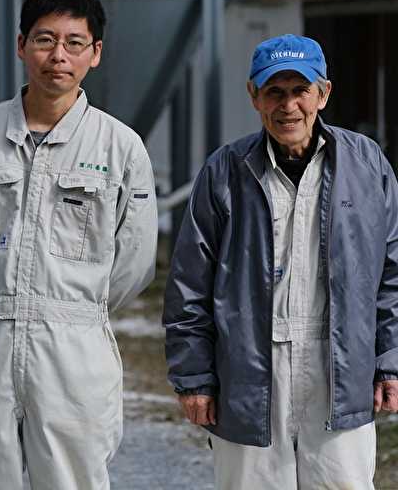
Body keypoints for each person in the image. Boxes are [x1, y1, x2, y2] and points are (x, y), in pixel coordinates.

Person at [0, 0, 158, 489]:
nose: (58, 55)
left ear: (95, 53)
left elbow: (135, 259)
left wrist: (74, 305)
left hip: (74, 345)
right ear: (20, 46)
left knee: (72, 480)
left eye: (74, 42)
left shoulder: (121, 147)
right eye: (44, 39)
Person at [163, 34, 398, 489]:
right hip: (248, 373)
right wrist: (194, 376)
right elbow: (189, 283)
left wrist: (389, 360)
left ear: (323, 93)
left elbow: (392, 272)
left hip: (341, 370)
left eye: (300, 91)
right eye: (274, 91)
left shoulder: (367, 165)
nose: (288, 106)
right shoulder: (225, 171)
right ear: (254, 96)